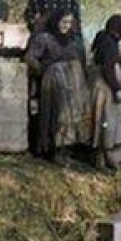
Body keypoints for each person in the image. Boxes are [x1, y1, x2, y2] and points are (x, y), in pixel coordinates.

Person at [24, 9, 92, 164]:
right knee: (57, 115)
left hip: (74, 83)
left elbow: (83, 60)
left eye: (69, 22)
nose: (66, 26)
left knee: (73, 117)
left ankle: (68, 151)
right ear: (56, 22)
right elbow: (30, 58)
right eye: (63, 22)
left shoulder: (75, 40)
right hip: (55, 82)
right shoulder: (44, 39)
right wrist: (45, 70)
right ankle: (53, 150)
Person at [88, 14, 121, 171]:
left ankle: (104, 157)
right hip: (105, 88)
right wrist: (116, 88)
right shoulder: (109, 44)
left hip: (99, 85)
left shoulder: (103, 38)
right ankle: (101, 159)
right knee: (106, 122)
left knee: (103, 121)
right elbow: (108, 68)